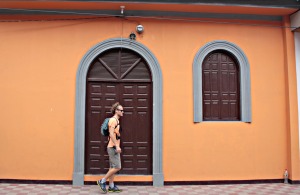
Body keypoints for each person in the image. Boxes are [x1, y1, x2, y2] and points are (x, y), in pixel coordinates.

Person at [97, 102, 124, 193]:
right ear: (116, 111)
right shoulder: (113, 120)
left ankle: (111, 186)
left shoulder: (117, 120)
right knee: (117, 167)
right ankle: (102, 181)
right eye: (121, 110)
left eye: (122, 110)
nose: (122, 112)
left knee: (112, 167)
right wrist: (117, 146)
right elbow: (111, 133)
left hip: (113, 146)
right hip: (112, 147)